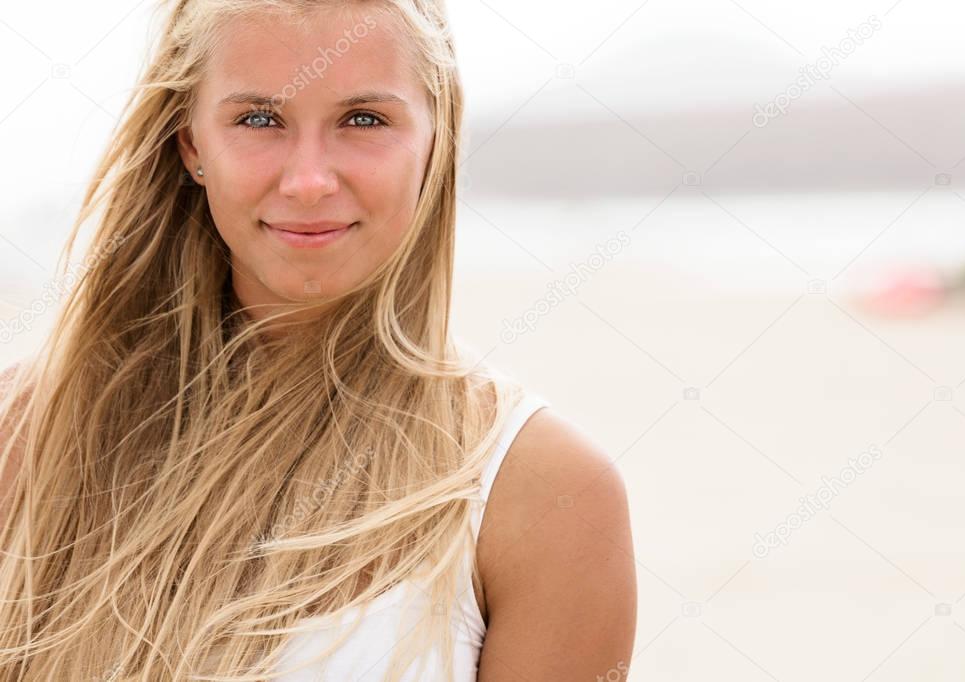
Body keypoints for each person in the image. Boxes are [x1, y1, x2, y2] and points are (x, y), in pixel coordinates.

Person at [0, 1, 636, 679]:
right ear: (191, 147)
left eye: (363, 120)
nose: (308, 182)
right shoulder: (25, 433)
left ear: (436, 137)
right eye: (258, 119)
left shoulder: (544, 495)